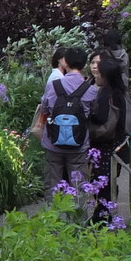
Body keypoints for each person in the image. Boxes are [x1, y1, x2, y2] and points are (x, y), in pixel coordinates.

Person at [39, 46, 94, 194]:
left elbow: (44, 109)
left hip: (53, 142)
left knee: (53, 185)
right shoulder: (89, 89)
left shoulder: (53, 85)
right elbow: (93, 116)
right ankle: (78, 216)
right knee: (79, 186)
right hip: (79, 144)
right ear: (84, 65)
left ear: (66, 63)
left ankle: (53, 216)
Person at [87, 50, 131, 224]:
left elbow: (101, 117)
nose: (95, 72)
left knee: (102, 181)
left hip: (106, 145)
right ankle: (105, 214)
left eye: (99, 71)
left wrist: (88, 113)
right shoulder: (119, 91)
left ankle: (103, 217)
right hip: (117, 143)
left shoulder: (108, 93)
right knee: (108, 180)